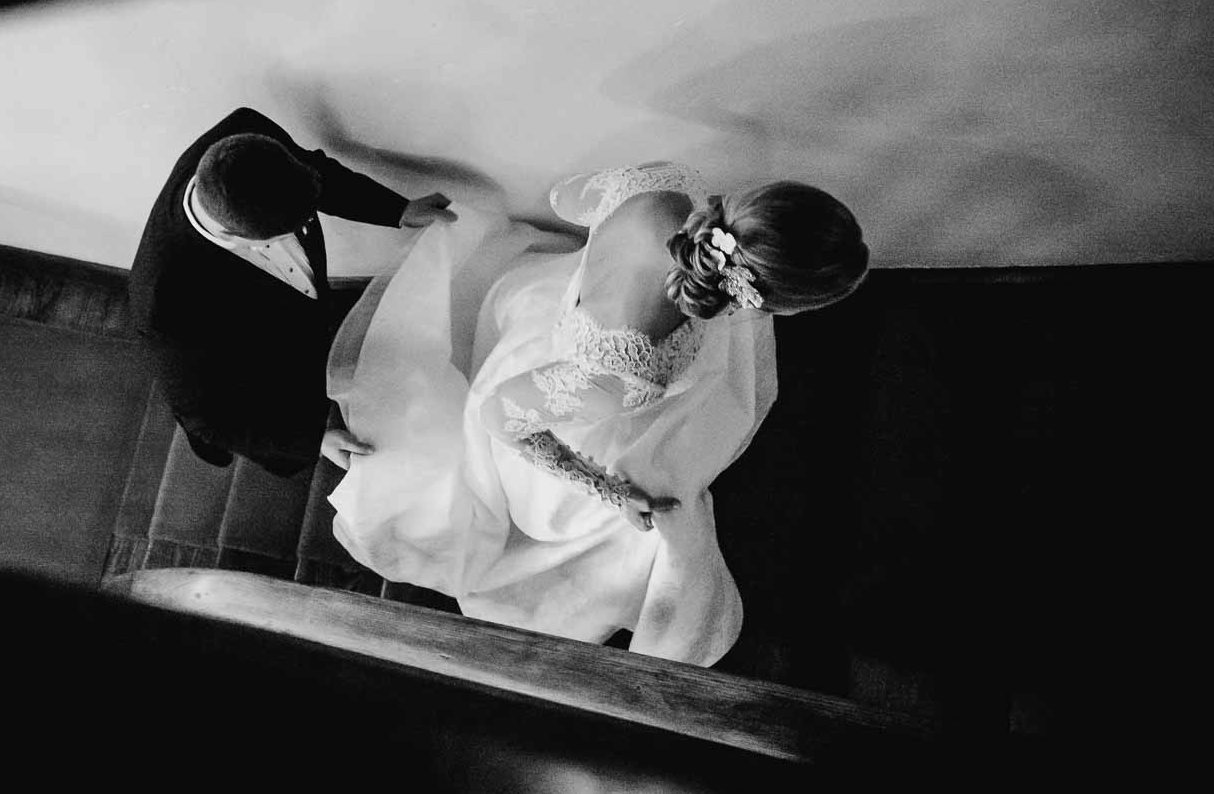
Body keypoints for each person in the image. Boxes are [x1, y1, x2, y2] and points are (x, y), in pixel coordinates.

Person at [321, 162, 868, 663]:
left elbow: (568, 198)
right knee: (640, 537)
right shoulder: (630, 372)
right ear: (760, 298)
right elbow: (500, 417)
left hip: (541, 314)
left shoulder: (674, 183)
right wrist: (612, 491)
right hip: (565, 399)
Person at [128, 107, 455, 476]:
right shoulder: (163, 304)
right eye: (288, 234)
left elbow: (321, 175)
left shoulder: (244, 133)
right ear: (237, 237)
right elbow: (208, 417)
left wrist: (400, 210)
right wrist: (314, 439)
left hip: (298, 321)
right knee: (284, 443)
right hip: (253, 370)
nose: (305, 230)